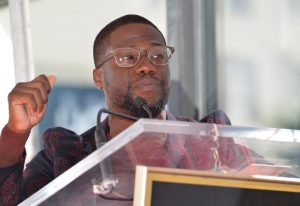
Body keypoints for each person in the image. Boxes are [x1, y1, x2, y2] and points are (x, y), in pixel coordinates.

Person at [0, 14, 255, 206]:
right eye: (128, 57)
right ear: (98, 77)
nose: (147, 66)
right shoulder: (66, 156)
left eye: (158, 55)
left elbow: (281, 191)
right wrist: (14, 134)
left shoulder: (210, 143)